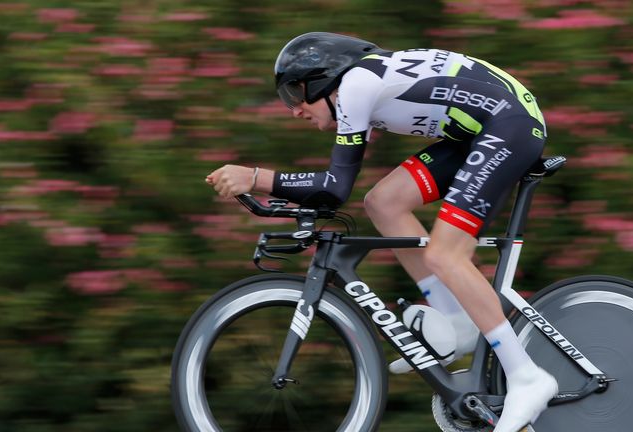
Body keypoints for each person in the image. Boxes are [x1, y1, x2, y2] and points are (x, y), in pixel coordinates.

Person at [206, 32, 558, 431]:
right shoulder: (362, 83)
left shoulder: (356, 85)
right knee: (383, 203)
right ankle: (458, 319)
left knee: (445, 254)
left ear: (325, 80)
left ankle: (528, 378)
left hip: (508, 124)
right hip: (480, 129)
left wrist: (255, 177)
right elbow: (336, 192)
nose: (295, 110)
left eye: (294, 93)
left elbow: (334, 189)